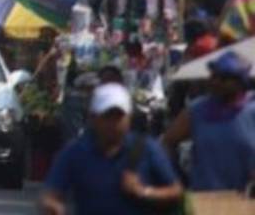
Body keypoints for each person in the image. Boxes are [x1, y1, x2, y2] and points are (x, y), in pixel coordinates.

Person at [40, 84, 184, 215]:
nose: (114, 124)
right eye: (108, 116)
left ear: (129, 118)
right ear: (93, 118)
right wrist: (52, 206)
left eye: (119, 116)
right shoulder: (75, 152)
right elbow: (51, 192)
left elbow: (175, 190)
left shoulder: (147, 149)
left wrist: (144, 191)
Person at [162, 50, 255, 192]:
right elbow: (167, 142)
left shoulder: (251, 111)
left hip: (246, 202)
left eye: (223, 78)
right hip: (206, 201)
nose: (215, 81)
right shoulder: (197, 110)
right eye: (213, 75)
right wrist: (177, 178)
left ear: (240, 82)